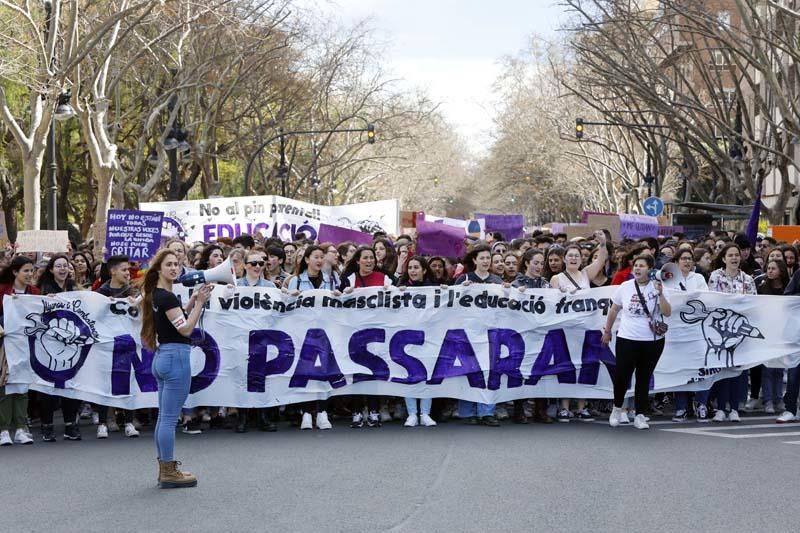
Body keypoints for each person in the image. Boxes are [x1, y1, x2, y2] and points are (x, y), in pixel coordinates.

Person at [141, 248, 213, 489]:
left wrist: (192, 301)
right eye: (169, 264)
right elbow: (185, 329)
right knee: (170, 418)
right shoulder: (168, 297)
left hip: (163, 357)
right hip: (176, 358)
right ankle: (169, 471)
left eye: (177, 264)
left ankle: (165, 468)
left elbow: (175, 321)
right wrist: (200, 304)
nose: (174, 268)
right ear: (159, 268)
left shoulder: (156, 294)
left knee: (164, 417)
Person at [603, 254, 672, 430]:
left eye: (642, 266)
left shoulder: (657, 287)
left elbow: (667, 312)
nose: (637, 269)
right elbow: (614, 309)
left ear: (650, 269)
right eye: (636, 265)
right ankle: (617, 408)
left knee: (644, 377)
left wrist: (661, 294)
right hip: (627, 338)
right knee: (622, 376)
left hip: (652, 341)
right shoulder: (625, 287)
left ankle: (640, 414)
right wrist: (607, 330)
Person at [549, 232, 608, 422]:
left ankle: (582, 406)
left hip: (586, 328)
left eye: (577, 255)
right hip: (566, 329)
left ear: (581, 259)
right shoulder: (557, 278)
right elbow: (551, 302)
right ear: (564, 258)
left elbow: (601, 260)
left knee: (585, 364)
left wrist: (603, 244)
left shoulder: (585, 274)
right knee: (566, 365)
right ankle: (565, 407)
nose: (574, 258)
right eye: (570, 255)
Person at [283, 246, 338, 430]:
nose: (319, 260)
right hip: (302, 333)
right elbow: (286, 307)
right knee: (305, 372)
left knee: (324, 372)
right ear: (307, 259)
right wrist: (291, 297)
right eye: (316, 257)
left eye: (322, 257)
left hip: (325, 332)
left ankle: (322, 412)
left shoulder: (330, 280)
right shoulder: (296, 281)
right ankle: (306, 412)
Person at [339, 247, 393, 428]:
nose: (369, 261)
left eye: (372, 258)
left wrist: (394, 290)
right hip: (354, 333)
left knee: (375, 372)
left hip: (378, 332)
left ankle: (374, 410)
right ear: (357, 261)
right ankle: (356, 411)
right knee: (357, 372)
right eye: (365, 258)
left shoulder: (384, 278)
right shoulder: (349, 279)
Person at [454, 245, 503, 426]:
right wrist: (461, 290)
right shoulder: (463, 279)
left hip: (490, 332)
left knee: (489, 371)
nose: (486, 261)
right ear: (474, 260)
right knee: (469, 371)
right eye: (482, 258)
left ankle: (487, 411)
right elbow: (451, 304)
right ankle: (467, 412)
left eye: (487, 258)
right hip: (467, 333)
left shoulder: (497, 280)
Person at [707, 243, 757, 423]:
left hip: (740, 332)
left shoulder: (747, 279)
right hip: (721, 331)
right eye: (730, 255)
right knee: (722, 368)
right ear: (723, 258)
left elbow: (753, 303)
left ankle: (734, 408)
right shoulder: (715, 277)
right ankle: (721, 408)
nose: (734, 258)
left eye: (737, 255)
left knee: (738, 371)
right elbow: (712, 302)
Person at [94, 255, 140, 438]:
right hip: (107, 345)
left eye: (128, 270)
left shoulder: (133, 292)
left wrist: (136, 303)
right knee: (105, 383)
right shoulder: (101, 293)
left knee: (129, 381)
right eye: (123, 270)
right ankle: (103, 423)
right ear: (113, 271)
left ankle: (128, 421)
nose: (127, 273)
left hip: (128, 343)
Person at [36, 255, 82, 442]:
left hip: (71, 343)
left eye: (65, 265)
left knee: (71, 384)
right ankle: (47, 425)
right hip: (48, 343)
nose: (62, 269)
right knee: (47, 386)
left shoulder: (74, 287)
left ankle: (70, 425)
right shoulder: (42, 289)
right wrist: (42, 300)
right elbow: (31, 307)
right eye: (58, 266)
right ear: (51, 270)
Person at [0, 256, 39, 446]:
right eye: (26, 271)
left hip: (27, 346)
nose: (30, 274)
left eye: (32, 271)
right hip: (5, 346)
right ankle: (4, 430)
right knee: (6, 386)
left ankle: (21, 429)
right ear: (15, 272)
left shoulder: (35, 292)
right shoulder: (2, 292)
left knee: (23, 387)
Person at [669, 249, 711, 422]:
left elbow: (705, 299)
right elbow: (668, 301)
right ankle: (681, 407)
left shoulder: (699, 279)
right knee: (680, 369)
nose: (687, 261)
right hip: (677, 332)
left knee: (702, 368)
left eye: (690, 259)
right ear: (677, 261)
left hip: (697, 331)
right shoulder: (669, 279)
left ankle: (701, 404)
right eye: (683, 258)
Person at [397, 256, 438, 428]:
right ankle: (412, 413)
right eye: (410, 268)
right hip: (406, 338)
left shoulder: (434, 288)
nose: (413, 271)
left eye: (416, 267)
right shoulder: (400, 289)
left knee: (427, 375)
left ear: (424, 270)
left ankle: (425, 413)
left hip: (428, 337)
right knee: (409, 376)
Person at [757, 259, 789, 415]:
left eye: (773, 268)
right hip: (767, 333)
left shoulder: (788, 290)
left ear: (781, 271)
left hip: (782, 333)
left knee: (779, 368)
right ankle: (768, 400)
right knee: (768, 369)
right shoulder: (762, 288)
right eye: (768, 268)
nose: (769, 271)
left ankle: (779, 398)